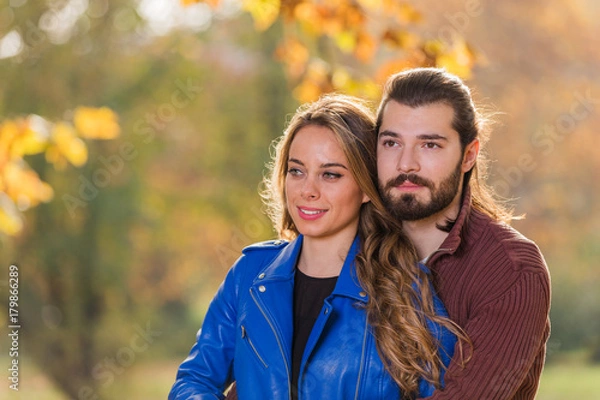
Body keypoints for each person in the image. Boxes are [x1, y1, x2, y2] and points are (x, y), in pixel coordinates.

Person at [169, 94, 467, 400]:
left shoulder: (407, 290)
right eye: (296, 171)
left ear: (366, 188)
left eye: (330, 175)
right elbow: (194, 381)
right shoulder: (249, 275)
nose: (307, 190)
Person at [375, 67, 551, 399]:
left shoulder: (511, 270)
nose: (405, 164)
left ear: (468, 155)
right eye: (391, 142)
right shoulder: (352, 245)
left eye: (429, 145)